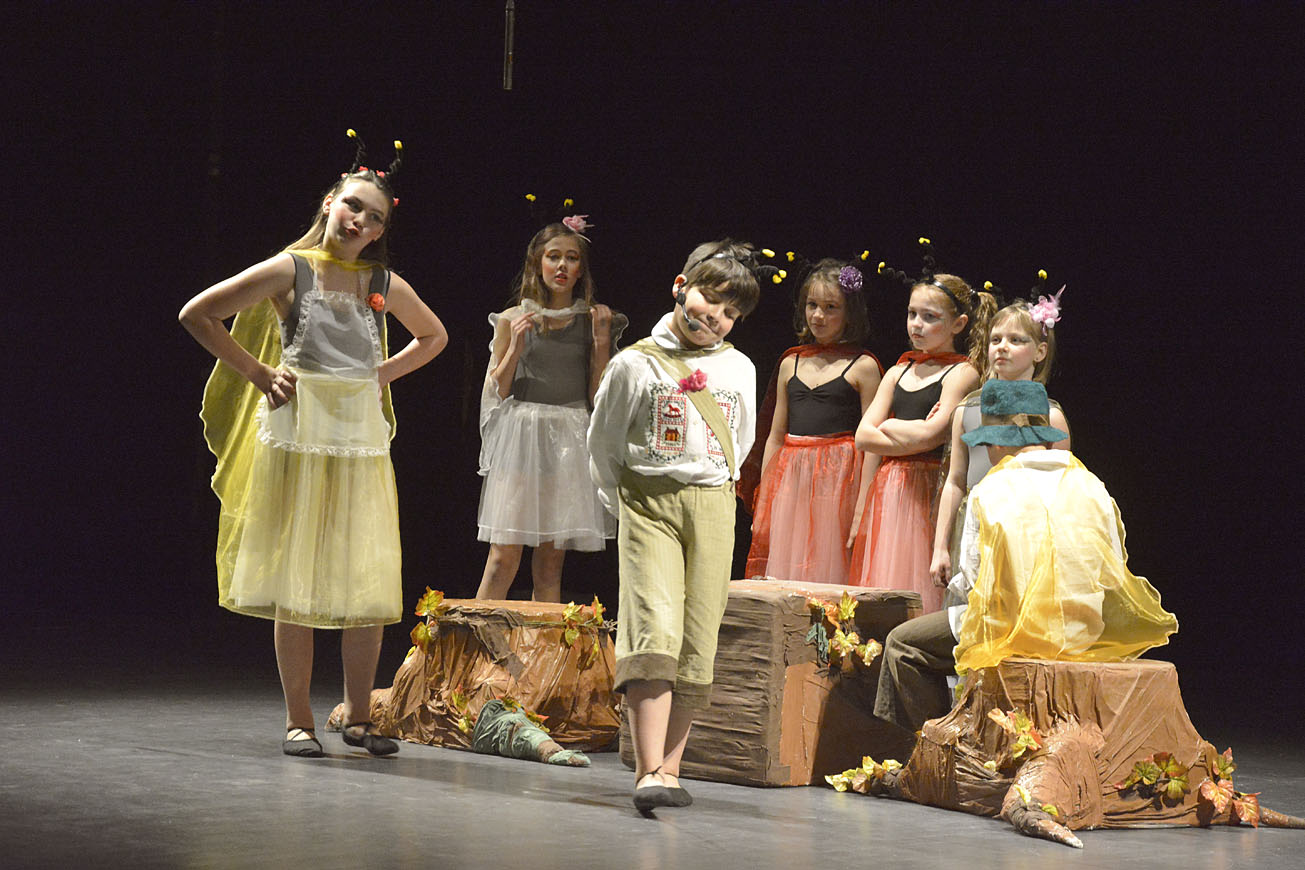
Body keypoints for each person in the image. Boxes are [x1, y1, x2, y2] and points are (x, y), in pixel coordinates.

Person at [179, 132, 448, 757]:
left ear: (380, 232)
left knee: (365, 577)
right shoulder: (291, 269)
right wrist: (258, 372)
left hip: (358, 440)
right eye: (353, 205)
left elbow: (433, 337)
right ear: (330, 202)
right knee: (296, 576)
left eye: (374, 218)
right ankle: (299, 718)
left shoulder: (381, 280)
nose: (360, 221)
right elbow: (198, 314)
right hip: (299, 436)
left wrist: (379, 375)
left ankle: (358, 715)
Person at [873, 379, 1177, 732]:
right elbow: (1111, 572)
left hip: (1014, 631)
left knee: (902, 645)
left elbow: (973, 583)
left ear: (1000, 441)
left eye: (987, 443)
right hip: (1084, 630)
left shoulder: (990, 490)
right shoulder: (1093, 485)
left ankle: (939, 744)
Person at [587, 239, 763, 812]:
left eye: (731, 312)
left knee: (697, 634)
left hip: (713, 504)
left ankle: (671, 767)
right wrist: (625, 506)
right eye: (711, 299)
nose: (717, 317)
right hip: (648, 501)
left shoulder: (739, 368)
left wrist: (713, 484)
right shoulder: (634, 364)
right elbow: (604, 444)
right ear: (681, 288)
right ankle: (646, 771)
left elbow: (741, 441)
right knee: (653, 626)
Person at [475, 217, 624, 603]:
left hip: (567, 441)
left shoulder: (591, 320)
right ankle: (474, 638)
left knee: (549, 564)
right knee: (502, 557)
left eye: (571, 258)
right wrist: (515, 346)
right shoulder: (513, 319)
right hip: (523, 438)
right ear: (537, 263)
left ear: (581, 269)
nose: (562, 266)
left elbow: (598, 397)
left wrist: (601, 343)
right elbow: (497, 390)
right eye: (553, 256)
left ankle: (546, 641)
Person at [850, 252, 993, 609]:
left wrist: (890, 426)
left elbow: (933, 436)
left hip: (929, 487)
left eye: (930, 317)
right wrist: (911, 430)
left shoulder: (962, 373)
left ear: (958, 324)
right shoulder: (897, 371)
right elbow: (863, 437)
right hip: (890, 488)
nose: (917, 324)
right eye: (912, 314)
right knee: (886, 578)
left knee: (921, 581)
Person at [744, 259, 882, 584]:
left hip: (839, 477)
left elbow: (873, 443)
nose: (818, 316)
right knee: (788, 562)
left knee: (829, 562)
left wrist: (863, 503)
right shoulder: (790, 363)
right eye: (812, 305)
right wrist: (765, 499)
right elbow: (775, 436)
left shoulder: (863, 366)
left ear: (850, 313)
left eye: (831, 307)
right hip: (792, 475)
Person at [930, 285, 1071, 595]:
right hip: (974, 527)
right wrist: (940, 547)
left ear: (1040, 352)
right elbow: (955, 480)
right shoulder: (967, 410)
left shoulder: (1051, 417)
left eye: (1016, 340)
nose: (1002, 347)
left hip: (1026, 532)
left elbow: (1062, 495)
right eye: (996, 340)